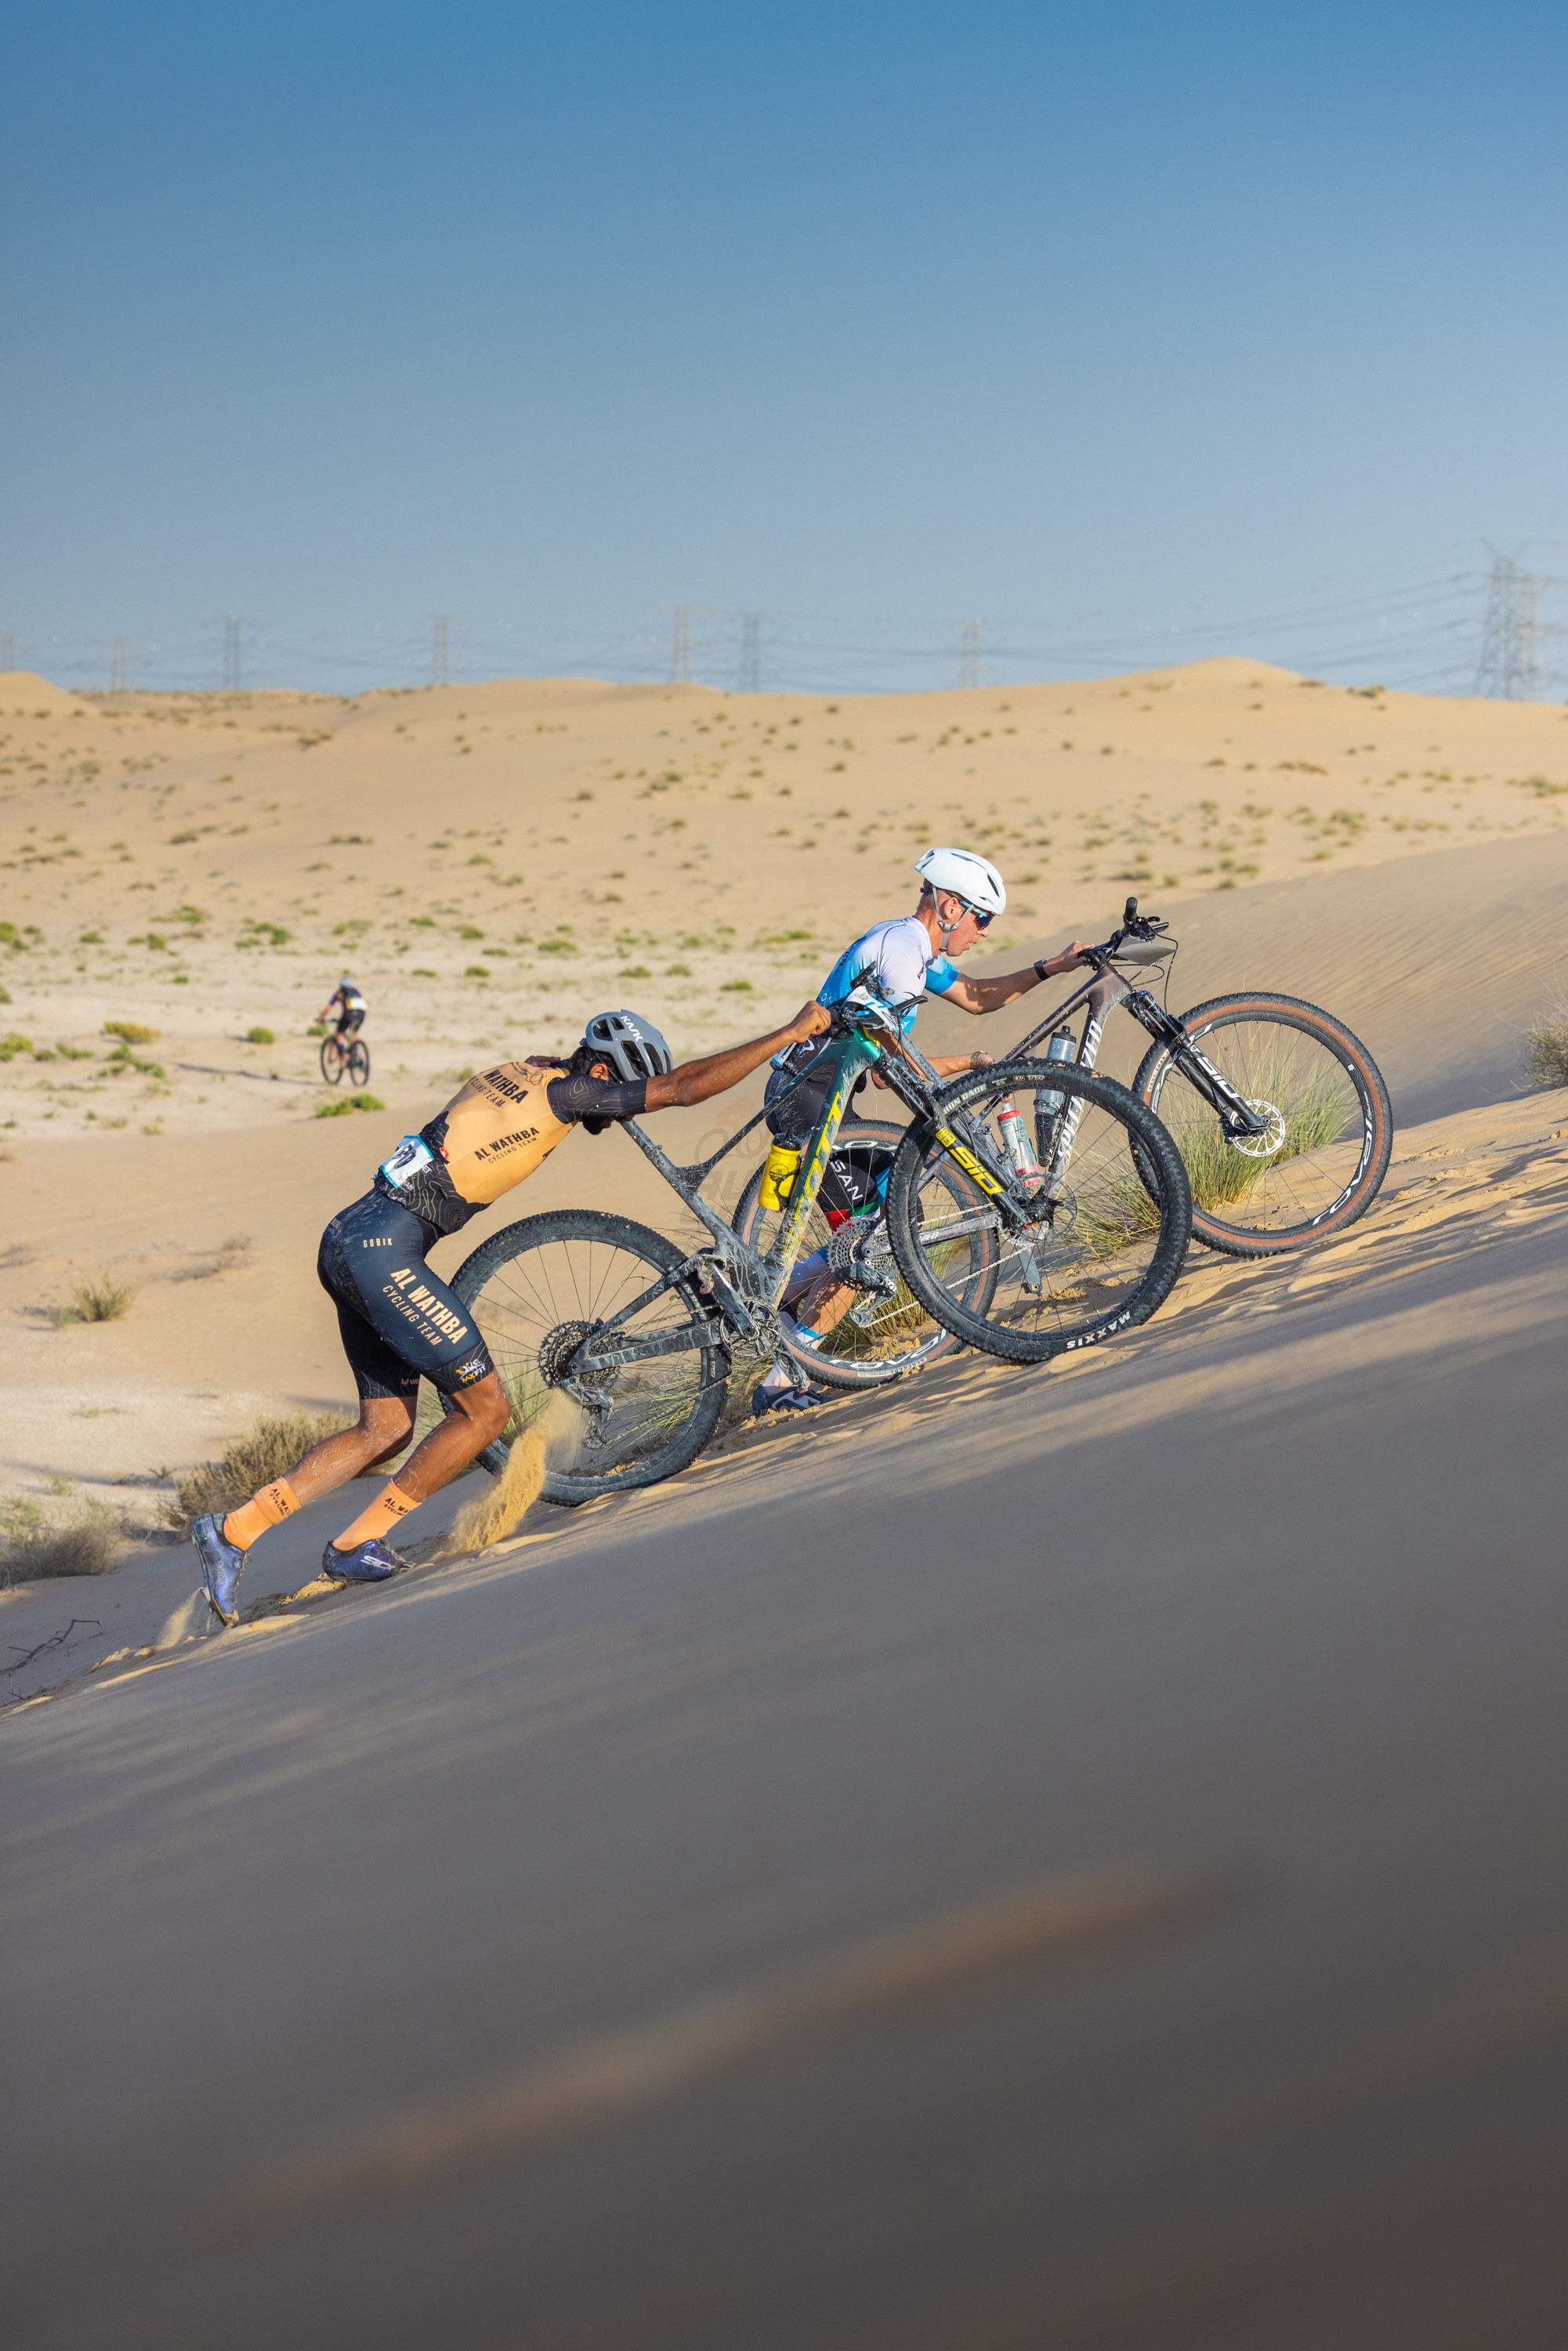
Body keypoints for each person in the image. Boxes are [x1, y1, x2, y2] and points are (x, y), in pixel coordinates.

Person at [192, 999, 831, 1625]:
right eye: (617, 1087)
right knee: (486, 1411)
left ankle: (233, 1531)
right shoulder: (572, 1091)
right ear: (601, 1071)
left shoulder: (524, 1071)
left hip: (348, 1237)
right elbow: (682, 1089)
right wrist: (788, 1033)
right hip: (383, 1253)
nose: (615, 1109)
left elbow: (545, 1077)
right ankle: (357, 1543)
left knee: (384, 1429)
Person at [751, 846, 1090, 1412]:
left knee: (897, 1217)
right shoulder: (902, 953)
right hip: (807, 1099)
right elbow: (892, 1070)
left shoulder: (913, 948)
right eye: (982, 917)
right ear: (951, 908)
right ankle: (785, 1375)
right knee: (871, 1238)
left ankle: (762, 1304)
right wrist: (968, 1069)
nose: (984, 931)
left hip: (820, 1094)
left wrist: (1048, 969)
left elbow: (977, 997)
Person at [319, 974, 368, 1044]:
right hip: (361, 1013)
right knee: (355, 1031)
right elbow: (365, 1007)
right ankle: (355, 1049)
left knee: (340, 1032)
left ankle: (343, 1050)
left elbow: (329, 1008)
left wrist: (321, 1018)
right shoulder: (357, 992)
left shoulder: (341, 992)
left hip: (349, 1014)